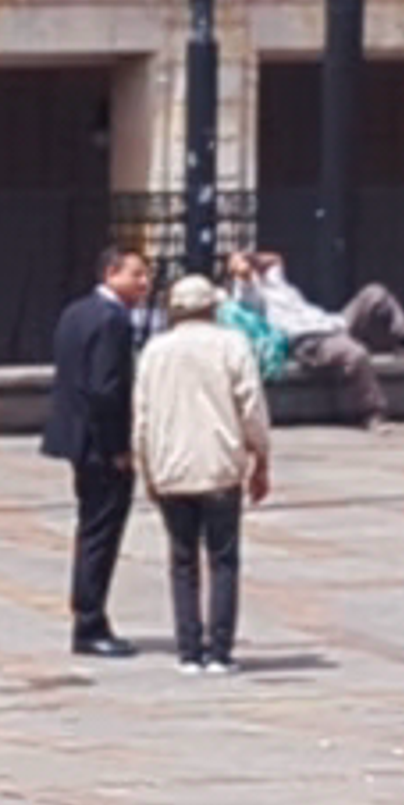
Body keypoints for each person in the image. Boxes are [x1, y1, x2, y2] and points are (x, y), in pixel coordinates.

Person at [132, 267, 273, 669]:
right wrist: (260, 458)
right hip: (220, 467)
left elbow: (141, 418)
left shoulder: (154, 352)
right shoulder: (232, 345)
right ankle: (220, 651)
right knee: (223, 560)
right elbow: (251, 407)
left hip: (171, 468)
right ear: (212, 307)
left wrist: (148, 472)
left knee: (182, 562)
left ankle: (189, 650)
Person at [44, 234, 153, 655]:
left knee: (90, 528)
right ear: (112, 273)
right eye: (136, 274)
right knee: (101, 532)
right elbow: (106, 389)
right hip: (100, 444)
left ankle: (88, 614)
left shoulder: (77, 312)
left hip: (76, 439)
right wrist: (119, 447)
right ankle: (90, 621)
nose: (144, 282)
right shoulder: (112, 321)